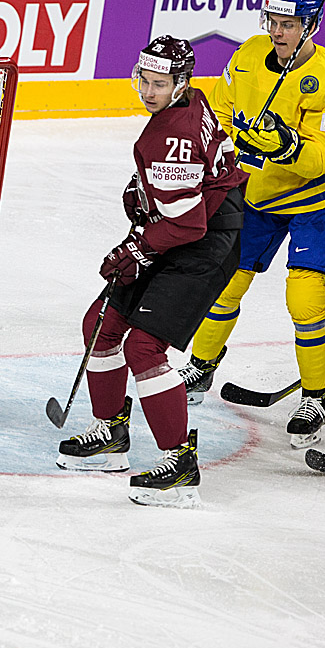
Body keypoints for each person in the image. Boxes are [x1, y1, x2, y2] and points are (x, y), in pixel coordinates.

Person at [54, 35, 247, 509]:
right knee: (100, 324)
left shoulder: (169, 136)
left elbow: (188, 222)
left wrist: (137, 247)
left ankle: (179, 461)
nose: (147, 90)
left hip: (205, 241)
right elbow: (192, 184)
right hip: (185, 224)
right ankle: (113, 433)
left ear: (181, 84)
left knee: (143, 344)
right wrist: (144, 193)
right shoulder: (190, 103)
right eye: (144, 79)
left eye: (159, 83)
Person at [177, 0, 325, 450]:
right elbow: (219, 109)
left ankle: (315, 396)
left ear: (310, 26)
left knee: (304, 296)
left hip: (318, 200)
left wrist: (287, 144)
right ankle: (202, 365)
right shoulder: (247, 55)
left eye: (290, 24)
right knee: (226, 280)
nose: (279, 33)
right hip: (257, 195)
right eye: (273, 22)